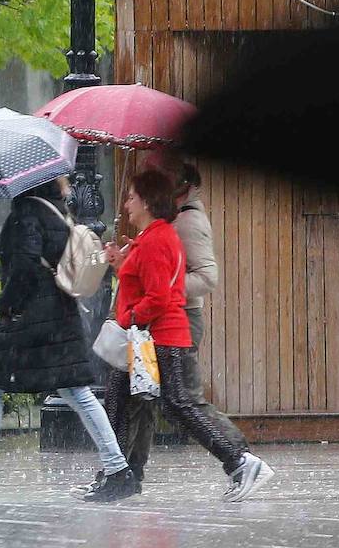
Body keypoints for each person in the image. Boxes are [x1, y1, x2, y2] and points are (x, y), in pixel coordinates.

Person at [0, 177, 137, 503]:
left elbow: (27, 263)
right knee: (76, 391)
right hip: (59, 316)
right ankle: (117, 470)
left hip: (28, 320)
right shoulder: (54, 210)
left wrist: (6, 303)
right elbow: (41, 248)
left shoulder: (25, 211)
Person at [102, 169, 274, 503]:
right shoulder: (152, 235)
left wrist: (132, 317)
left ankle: (240, 461)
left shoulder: (160, 236)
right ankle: (117, 475)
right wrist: (124, 264)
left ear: (149, 201)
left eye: (132, 198)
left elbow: (161, 294)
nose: (126, 205)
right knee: (122, 398)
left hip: (163, 336)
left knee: (179, 404)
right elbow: (149, 283)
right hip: (152, 336)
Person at [122, 161, 246, 486]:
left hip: (177, 321)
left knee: (184, 402)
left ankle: (240, 458)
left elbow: (207, 277)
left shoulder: (187, 223)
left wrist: (164, 286)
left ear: (182, 185)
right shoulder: (165, 225)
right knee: (144, 400)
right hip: (157, 320)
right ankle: (127, 472)